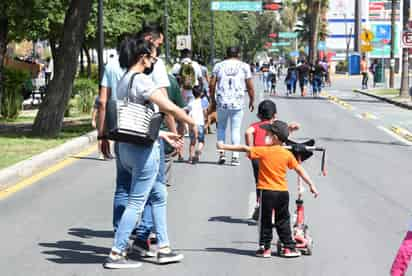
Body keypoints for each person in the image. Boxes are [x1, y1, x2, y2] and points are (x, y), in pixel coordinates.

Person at [103, 37, 196, 269]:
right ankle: (117, 252)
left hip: (127, 146)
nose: (154, 60)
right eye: (153, 56)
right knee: (137, 201)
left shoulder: (124, 79)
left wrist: (163, 135)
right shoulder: (142, 80)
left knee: (159, 195)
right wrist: (192, 122)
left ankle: (164, 248)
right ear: (142, 57)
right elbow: (167, 106)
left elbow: (134, 118)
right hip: (143, 151)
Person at [217, 120, 319, 258]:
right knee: (283, 220)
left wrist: (224, 146)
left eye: (268, 133)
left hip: (267, 192)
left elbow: (245, 148)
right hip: (283, 193)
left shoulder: (264, 151)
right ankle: (289, 248)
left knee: (265, 221)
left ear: (275, 137)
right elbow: (299, 169)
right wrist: (311, 184)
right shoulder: (286, 154)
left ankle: (265, 248)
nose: (266, 135)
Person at [245, 100, 300, 220]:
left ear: (259, 115)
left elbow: (248, 132)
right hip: (274, 156)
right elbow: (286, 132)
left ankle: (260, 205)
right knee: (276, 180)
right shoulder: (277, 126)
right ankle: (273, 208)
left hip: (258, 156)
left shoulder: (255, 126)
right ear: (275, 114)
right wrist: (291, 128)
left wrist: (250, 149)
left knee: (260, 182)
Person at [209, 46, 255, 166]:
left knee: (221, 129)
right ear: (238, 54)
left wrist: (212, 100)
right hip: (237, 103)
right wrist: (252, 100)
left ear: (226, 54)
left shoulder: (218, 66)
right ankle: (235, 157)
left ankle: (222, 153)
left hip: (222, 102)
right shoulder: (244, 66)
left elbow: (212, 84)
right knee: (235, 129)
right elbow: (250, 85)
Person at [186, 85, 208, 164]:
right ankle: (198, 151)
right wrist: (206, 120)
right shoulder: (203, 101)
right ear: (201, 93)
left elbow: (187, 111)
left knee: (192, 142)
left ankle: (190, 158)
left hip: (192, 124)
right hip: (200, 124)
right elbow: (205, 112)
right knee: (201, 141)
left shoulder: (190, 102)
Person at [91, 95, 105, 160]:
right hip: (100, 119)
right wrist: (93, 120)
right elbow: (95, 109)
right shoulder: (99, 97)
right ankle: (100, 153)